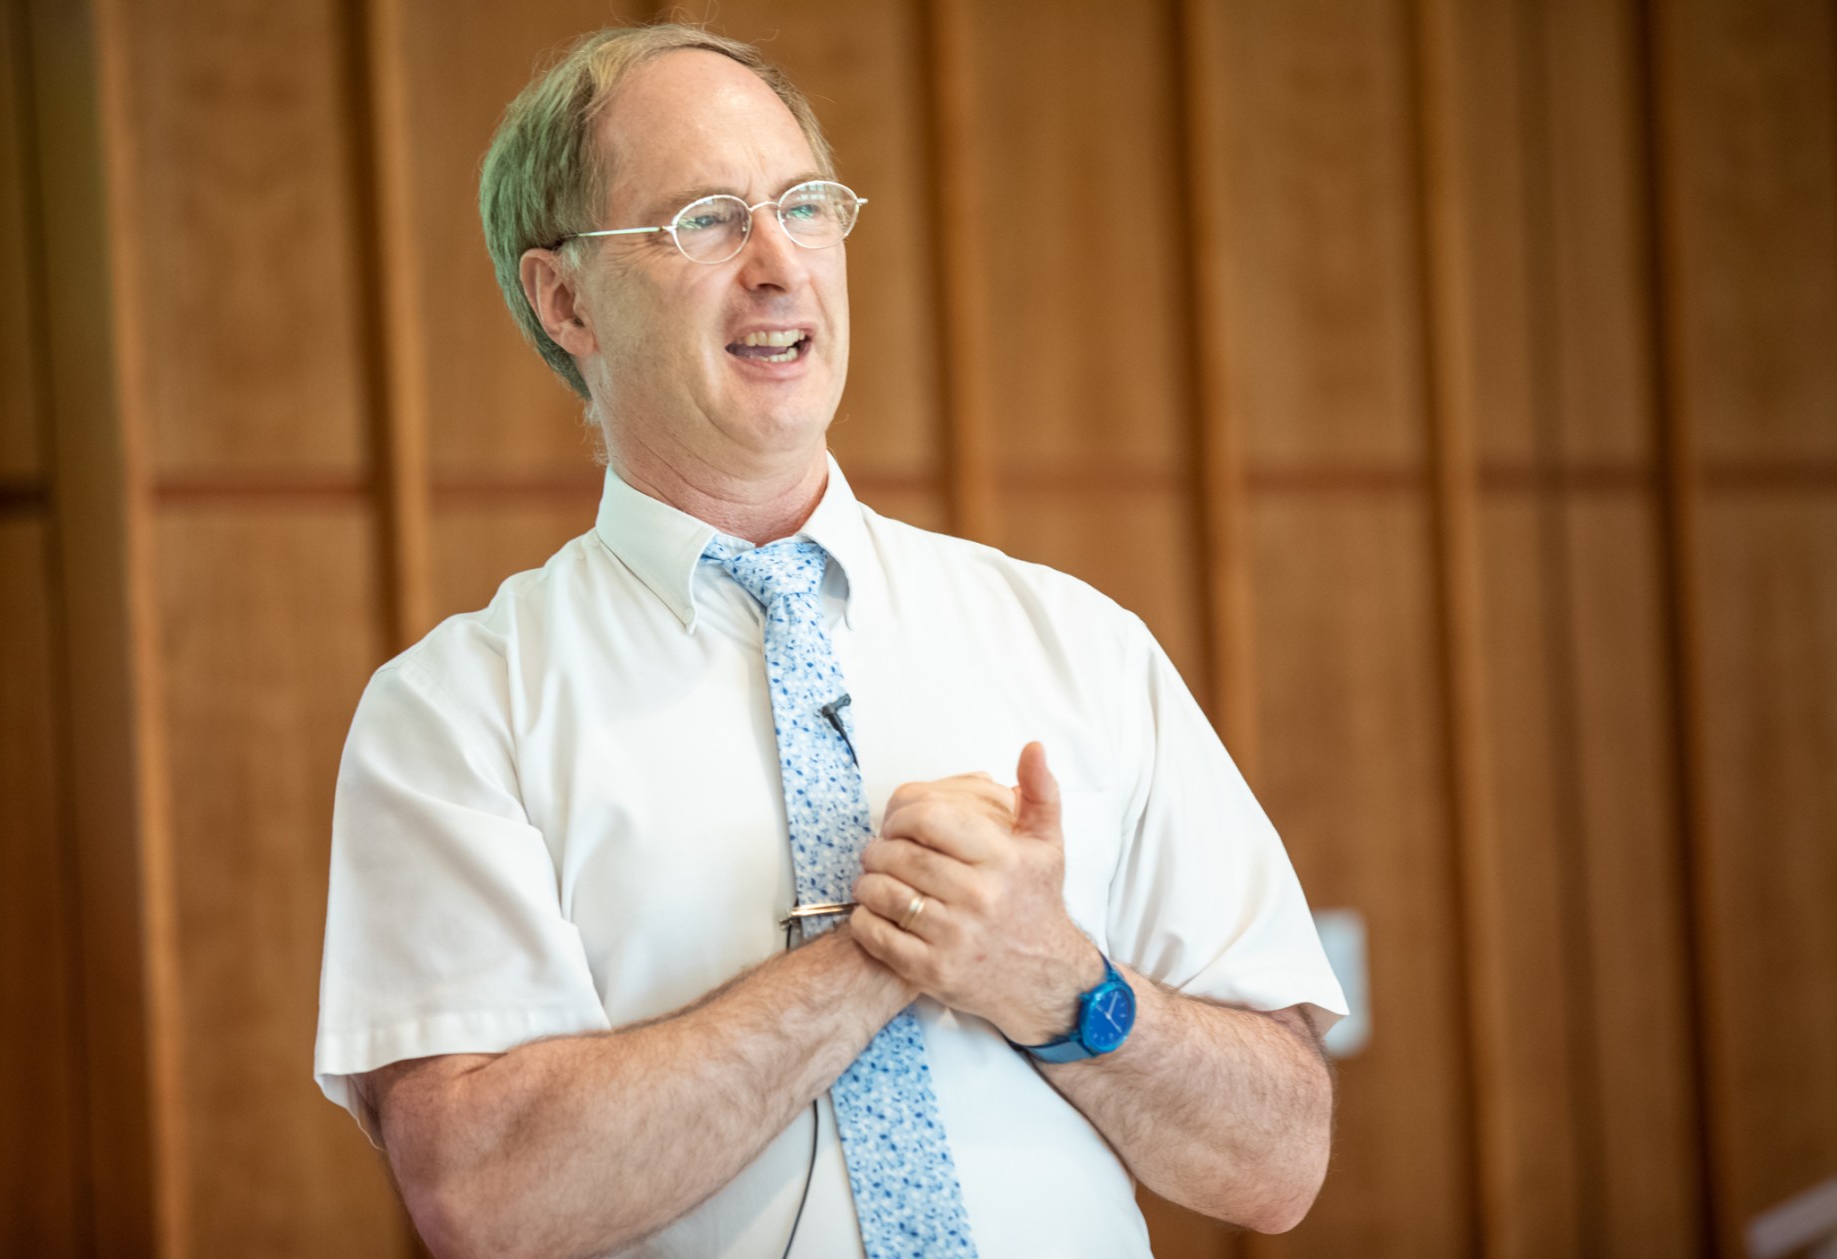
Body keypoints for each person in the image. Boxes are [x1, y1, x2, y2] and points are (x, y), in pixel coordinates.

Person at [314, 22, 1347, 1259]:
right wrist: (889, 946)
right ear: (566, 297)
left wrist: (1065, 980)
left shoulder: (1077, 641)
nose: (778, 264)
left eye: (804, 206)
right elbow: (485, 1196)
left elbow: (1280, 1159)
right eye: (703, 219)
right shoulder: (454, 711)